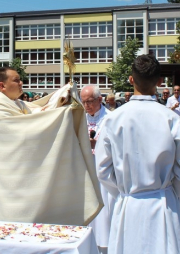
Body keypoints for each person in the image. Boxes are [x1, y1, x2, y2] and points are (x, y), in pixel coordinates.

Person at [96, 55, 180, 254]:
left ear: (131, 80)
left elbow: (103, 170)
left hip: (128, 205)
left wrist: (125, 192)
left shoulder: (113, 120)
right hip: (162, 204)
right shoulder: (171, 119)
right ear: (160, 82)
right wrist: (168, 191)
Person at [0, 67, 101, 225]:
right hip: (11, 185)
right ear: (2, 86)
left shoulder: (16, 103)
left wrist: (62, 97)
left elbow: (38, 110)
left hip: (23, 179)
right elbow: (27, 131)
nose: (21, 83)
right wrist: (62, 114)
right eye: (16, 80)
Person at [81, 85, 113, 253]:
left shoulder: (111, 118)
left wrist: (97, 145)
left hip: (104, 173)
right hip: (86, 171)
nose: (87, 106)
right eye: (84, 102)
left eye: (90, 102)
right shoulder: (81, 119)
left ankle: (106, 246)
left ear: (100, 100)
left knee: (104, 214)